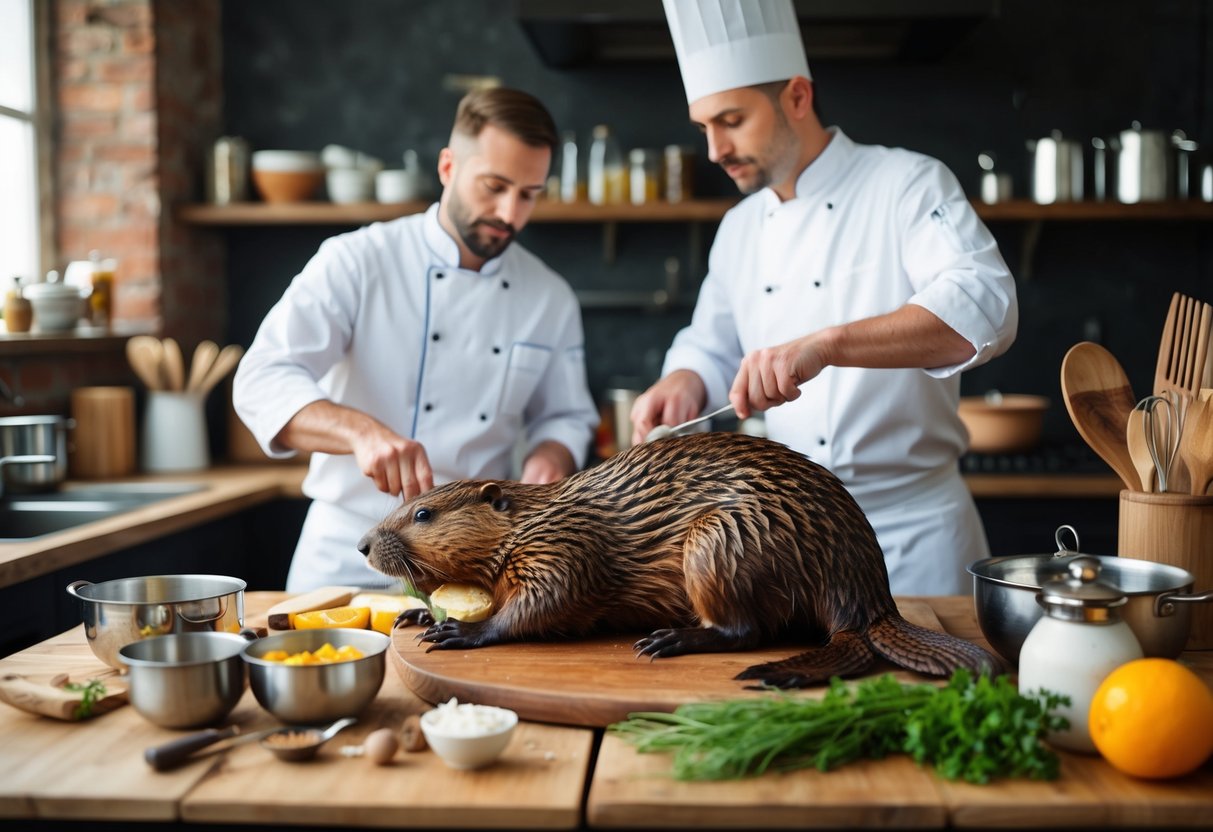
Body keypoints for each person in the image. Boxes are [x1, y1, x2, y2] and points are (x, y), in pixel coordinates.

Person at [632, 0, 1018, 595]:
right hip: (791, 538)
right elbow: (712, 343)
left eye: (732, 120)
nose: (714, 149)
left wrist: (829, 342)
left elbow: (984, 305)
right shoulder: (739, 227)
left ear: (797, 97)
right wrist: (685, 378)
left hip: (915, 537)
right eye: (703, 128)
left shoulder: (908, 183)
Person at [234, 87, 599, 592]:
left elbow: (565, 416)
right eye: (494, 186)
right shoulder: (356, 260)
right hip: (347, 551)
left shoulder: (549, 297)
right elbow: (261, 379)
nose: (510, 213)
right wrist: (360, 433)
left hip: (473, 562)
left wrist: (550, 458)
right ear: (448, 167)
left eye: (529, 194)